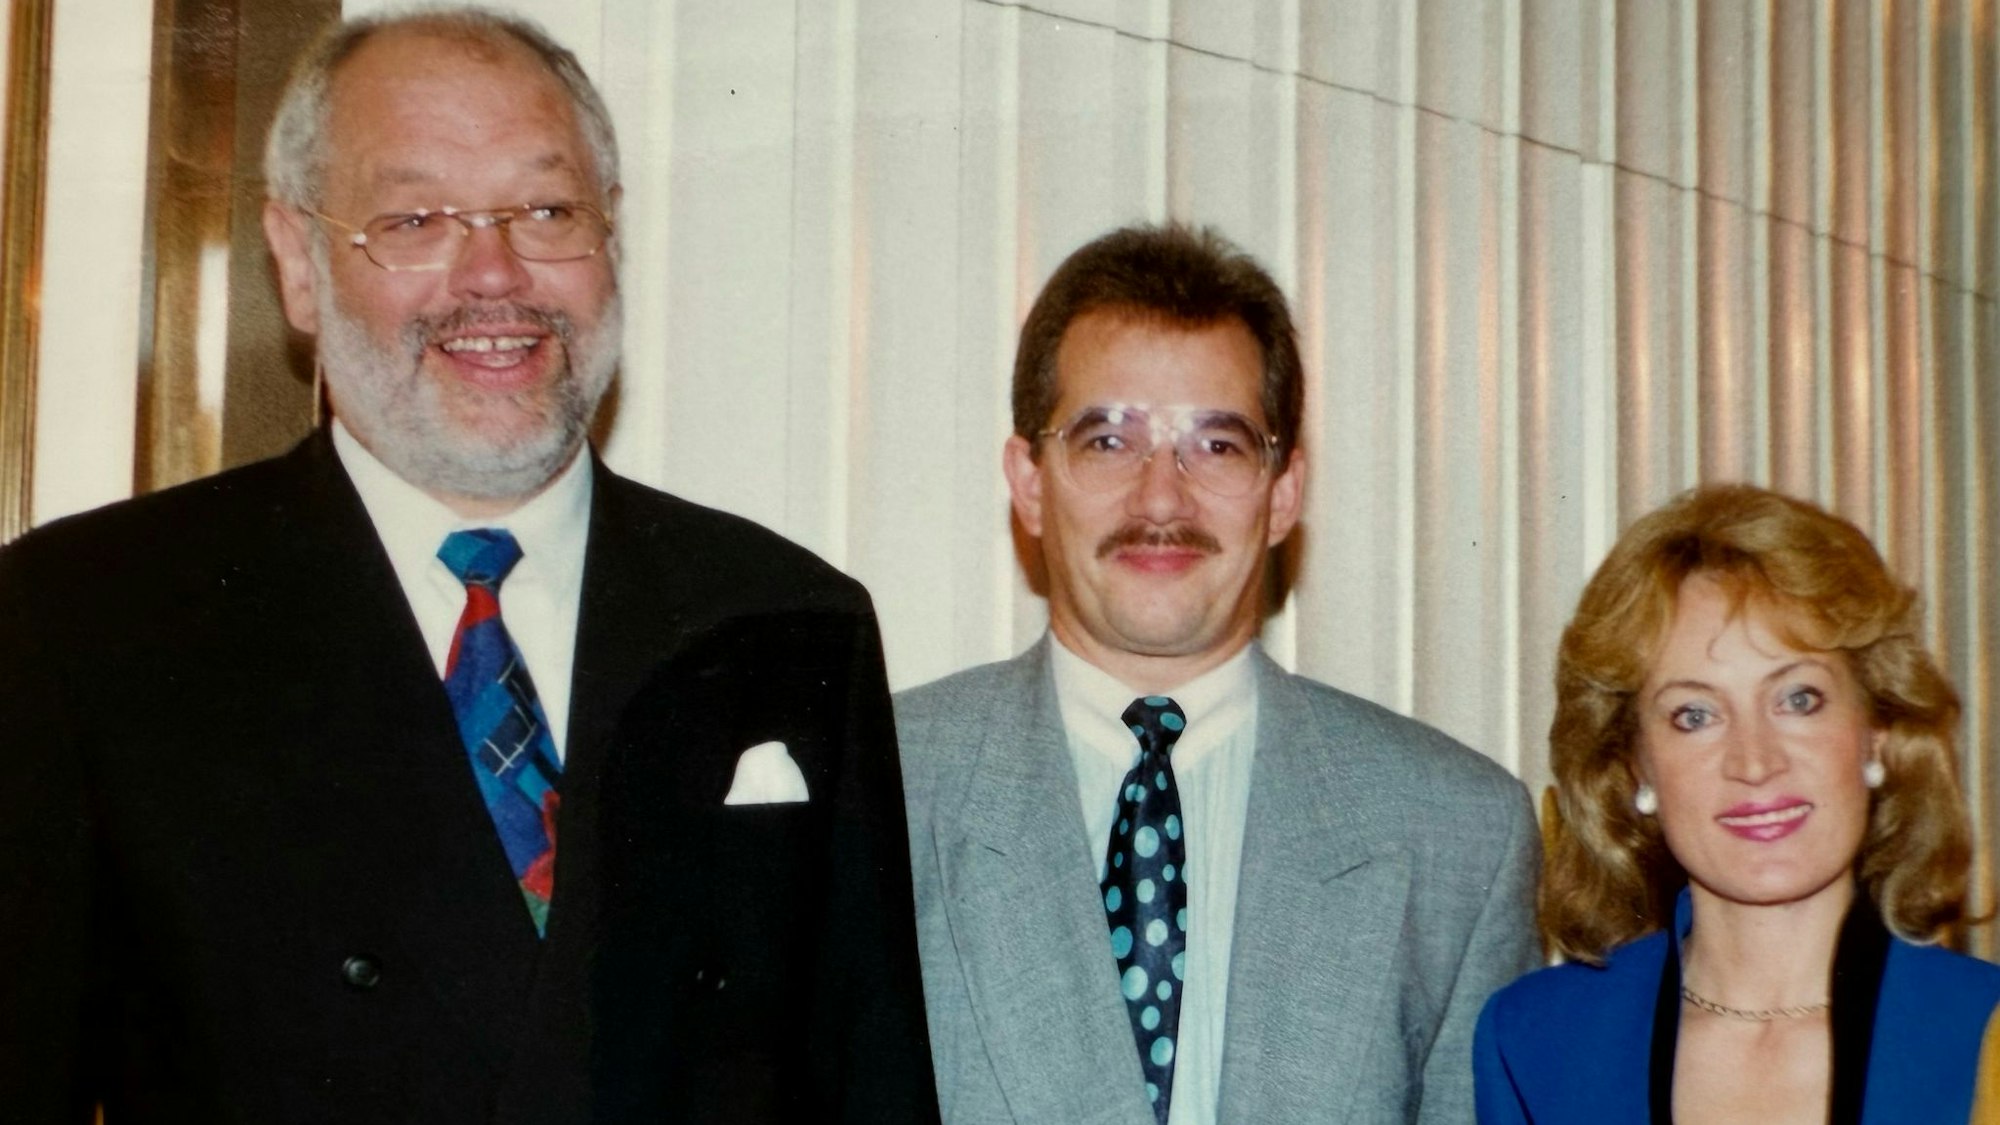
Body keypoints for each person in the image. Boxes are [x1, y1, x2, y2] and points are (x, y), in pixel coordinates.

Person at [0, 10, 936, 1124]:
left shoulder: (788, 621)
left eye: (546, 210)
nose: (494, 275)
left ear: (608, 239)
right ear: (298, 264)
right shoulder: (84, 623)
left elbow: (866, 1089)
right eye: (413, 219)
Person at [896, 223, 1541, 1125]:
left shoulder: (1458, 836)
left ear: (1284, 493)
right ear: (1030, 481)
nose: (1162, 499)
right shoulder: (884, 791)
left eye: (1219, 445)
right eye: (1108, 441)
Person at [1474, 483, 2000, 1123]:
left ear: (1876, 732)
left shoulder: (1982, 1031)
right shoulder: (1536, 1042)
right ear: (1636, 764)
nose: (1755, 762)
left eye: (1798, 700)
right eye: (1695, 715)